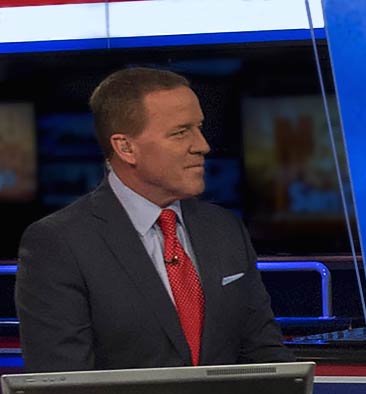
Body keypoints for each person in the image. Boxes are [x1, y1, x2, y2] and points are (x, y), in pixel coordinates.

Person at [15, 67, 292, 372]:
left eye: (199, 128)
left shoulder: (224, 229)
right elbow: (65, 390)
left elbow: (264, 352)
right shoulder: (60, 242)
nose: (202, 145)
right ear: (126, 147)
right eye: (180, 132)